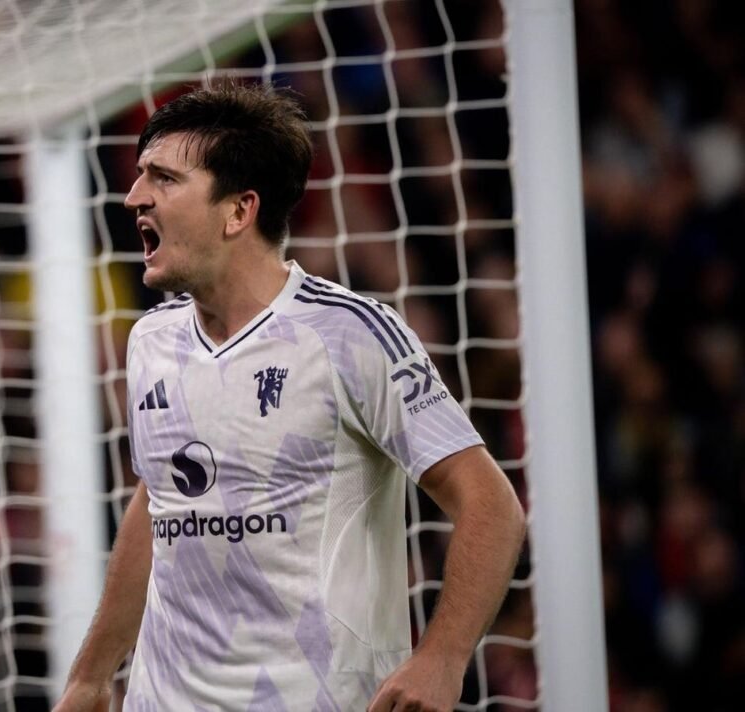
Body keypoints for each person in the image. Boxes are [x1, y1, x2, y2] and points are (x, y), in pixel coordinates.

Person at [54, 83, 526, 712]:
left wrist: (442, 657)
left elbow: (491, 505)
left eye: (163, 178)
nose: (134, 195)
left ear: (238, 211)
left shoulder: (350, 335)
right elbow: (160, 501)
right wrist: (91, 674)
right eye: (141, 175)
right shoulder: (151, 341)